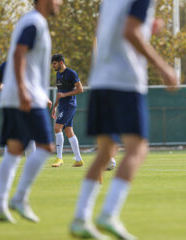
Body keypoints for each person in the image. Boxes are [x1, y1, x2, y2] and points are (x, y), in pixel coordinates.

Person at [69, 0, 177, 239]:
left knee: (105, 153)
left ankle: (80, 218)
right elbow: (130, 31)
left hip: (101, 79)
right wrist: (163, 66)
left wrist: (148, 29)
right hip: (125, 80)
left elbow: (111, 28)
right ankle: (108, 213)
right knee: (138, 149)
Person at [0, 0, 61, 223]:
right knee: (46, 146)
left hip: (19, 95)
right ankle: (19, 198)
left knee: (14, 149)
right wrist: (22, 90)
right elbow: (19, 54)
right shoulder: (34, 22)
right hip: (27, 96)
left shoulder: (30, 21)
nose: (60, 2)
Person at [0, 61, 37, 156]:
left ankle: (8, 166)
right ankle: (30, 164)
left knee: (11, 135)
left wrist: (6, 87)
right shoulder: (28, 63)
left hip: (9, 104)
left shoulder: (4, 65)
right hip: (25, 103)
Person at [51, 54, 84, 167]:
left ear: (61, 62)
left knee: (57, 127)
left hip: (69, 105)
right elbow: (59, 93)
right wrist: (55, 106)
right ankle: (79, 160)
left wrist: (65, 94)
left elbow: (80, 89)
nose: (53, 66)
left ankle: (59, 158)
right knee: (68, 131)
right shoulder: (58, 74)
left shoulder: (71, 73)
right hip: (62, 106)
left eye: (54, 63)